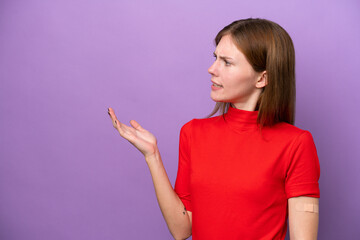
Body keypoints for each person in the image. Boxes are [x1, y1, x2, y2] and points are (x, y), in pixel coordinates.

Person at [107, 18, 320, 240]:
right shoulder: (193, 133)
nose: (212, 69)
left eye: (227, 62)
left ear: (262, 78)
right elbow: (182, 229)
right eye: (215, 58)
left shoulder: (296, 143)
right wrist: (152, 156)